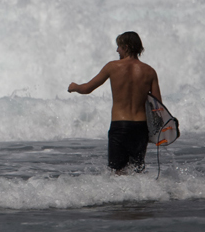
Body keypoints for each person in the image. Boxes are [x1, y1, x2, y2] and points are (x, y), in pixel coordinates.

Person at [67, 31, 161, 173]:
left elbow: (87, 89)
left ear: (127, 47)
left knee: (117, 172)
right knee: (137, 172)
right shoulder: (149, 71)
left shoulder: (112, 67)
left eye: (119, 47)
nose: (117, 50)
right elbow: (158, 105)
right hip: (140, 128)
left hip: (120, 126)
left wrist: (75, 87)